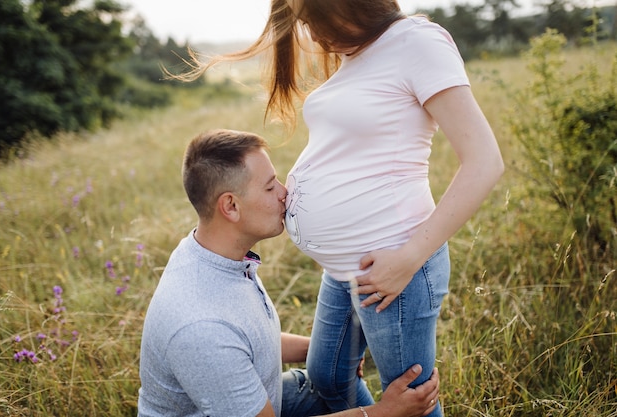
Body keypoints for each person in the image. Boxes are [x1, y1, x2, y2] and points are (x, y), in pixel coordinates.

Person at [180, 1, 505, 415]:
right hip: (345, 270)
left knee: (412, 401)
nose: (312, 36)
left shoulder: (417, 42)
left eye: (312, 21)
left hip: (391, 265)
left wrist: (408, 258)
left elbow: (484, 161)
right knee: (328, 378)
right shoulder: (357, 57)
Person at [137, 128, 441, 417]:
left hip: (257, 398)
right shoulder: (200, 329)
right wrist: (383, 413)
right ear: (230, 206)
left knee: (326, 381)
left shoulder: (207, 255)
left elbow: (245, 338)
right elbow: (219, 337)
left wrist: (322, 350)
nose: (285, 193)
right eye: (270, 186)